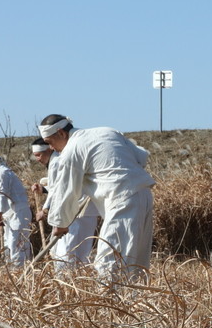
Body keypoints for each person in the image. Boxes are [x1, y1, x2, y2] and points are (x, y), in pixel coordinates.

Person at [38, 114, 156, 281]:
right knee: (136, 261)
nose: (52, 148)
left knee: (109, 264)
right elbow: (142, 157)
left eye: (50, 142)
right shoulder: (107, 131)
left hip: (122, 200)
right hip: (143, 194)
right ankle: (134, 302)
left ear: (61, 133)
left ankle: (112, 305)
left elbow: (66, 191)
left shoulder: (71, 151)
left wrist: (60, 223)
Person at [29, 139, 99, 271]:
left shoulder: (57, 162)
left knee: (68, 253)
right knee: (73, 253)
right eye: (36, 155)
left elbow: (58, 190)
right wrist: (44, 189)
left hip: (76, 213)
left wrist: (45, 210)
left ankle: (69, 283)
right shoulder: (57, 160)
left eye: (39, 155)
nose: (37, 159)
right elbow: (58, 186)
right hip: (77, 212)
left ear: (49, 149)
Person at [0, 147, 32, 266]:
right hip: (12, 212)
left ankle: (19, 271)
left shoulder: (1, 172)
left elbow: (1, 194)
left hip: (18, 212)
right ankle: (13, 270)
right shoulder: (1, 172)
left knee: (16, 244)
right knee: (10, 243)